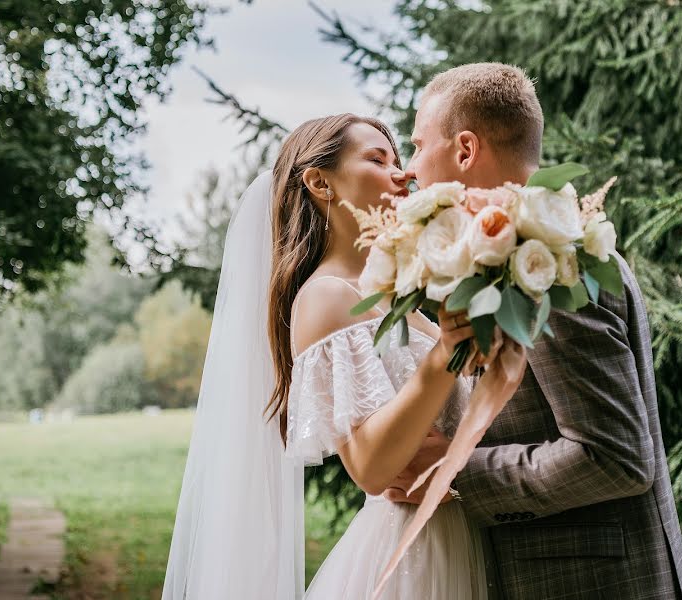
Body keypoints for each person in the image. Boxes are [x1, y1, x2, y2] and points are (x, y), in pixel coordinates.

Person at [161, 113, 526, 599]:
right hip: (416, 556)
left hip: (465, 532)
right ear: (319, 181)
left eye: (399, 159)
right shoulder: (325, 297)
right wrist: (445, 355)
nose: (403, 173)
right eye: (377, 159)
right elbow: (372, 468)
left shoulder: (400, 291)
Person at [387, 62, 682, 600]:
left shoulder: (545, 265)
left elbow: (615, 458)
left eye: (417, 145)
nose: (412, 168)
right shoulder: (525, 250)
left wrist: (454, 471)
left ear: (464, 149)